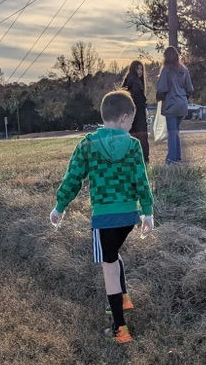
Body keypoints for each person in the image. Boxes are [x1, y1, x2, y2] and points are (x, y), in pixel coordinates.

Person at [50, 90, 154, 344]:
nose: (131, 126)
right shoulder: (132, 145)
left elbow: (73, 177)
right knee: (114, 254)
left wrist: (59, 206)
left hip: (104, 218)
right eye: (131, 121)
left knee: (108, 267)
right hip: (128, 216)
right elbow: (141, 179)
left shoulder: (87, 144)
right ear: (125, 118)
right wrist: (147, 212)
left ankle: (120, 329)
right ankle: (123, 298)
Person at [155, 46, 193, 164]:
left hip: (171, 105)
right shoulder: (184, 70)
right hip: (182, 104)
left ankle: (171, 158)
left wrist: (160, 98)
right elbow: (190, 89)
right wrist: (183, 98)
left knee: (172, 132)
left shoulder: (166, 70)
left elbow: (162, 89)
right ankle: (177, 157)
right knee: (175, 131)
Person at [122, 59, 150, 164]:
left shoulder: (128, 81)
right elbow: (138, 98)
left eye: (141, 69)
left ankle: (132, 157)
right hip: (138, 113)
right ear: (133, 69)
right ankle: (144, 158)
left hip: (130, 114)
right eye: (138, 68)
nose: (140, 71)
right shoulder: (135, 83)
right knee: (141, 136)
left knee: (132, 136)